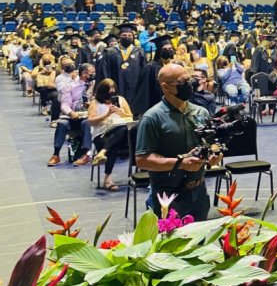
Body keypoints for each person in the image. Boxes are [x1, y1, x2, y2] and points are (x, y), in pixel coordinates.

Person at [135, 63, 220, 221]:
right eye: (183, 82)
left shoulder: (201, 112)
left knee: (199, 243)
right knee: (170, 244)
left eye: (190, 80)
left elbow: (211, 143)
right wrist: (181, 163)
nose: (189, 85)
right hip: (168, 196)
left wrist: (214, 155)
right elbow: (142, 160)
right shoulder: (152, 118)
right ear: (166, 87)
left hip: (199, 191)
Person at [88, 78, 134, 191]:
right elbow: (91, 121)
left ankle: (103, 152)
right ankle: (107, 178)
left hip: (120, 131)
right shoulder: (95, 103)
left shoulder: (120, 100)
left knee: (123, 130)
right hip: (102, 133)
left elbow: (130, 117)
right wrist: (106, 115)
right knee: (113, 147)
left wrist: (121, 113)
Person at [49, 62, 95, 167]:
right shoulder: (70, 86)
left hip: (90, 116)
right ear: (84, 73)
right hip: (74, 116)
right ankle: (56, 154)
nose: (94, 74)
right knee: (61, 124)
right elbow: (65, 104)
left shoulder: (96, 85)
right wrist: (71, 112)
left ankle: (86, 154)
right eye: (92, 73)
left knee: (87, 123)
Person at [97, 22, 145, 104]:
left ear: (133, 37)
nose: (127, 37)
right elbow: (104, 71)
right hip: (116, 87)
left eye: (130, 36)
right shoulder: (110, 52)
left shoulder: (139, 52)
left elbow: (143, 70)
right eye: (124, 35)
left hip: (135, 87)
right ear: (119, 37)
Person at [132, 33, 174, 117]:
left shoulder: (176, 66)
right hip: (155, 106)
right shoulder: (150, 67)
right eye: (165, 49)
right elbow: (144, 91)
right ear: (159, 51)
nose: (168, 51)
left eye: (170, 49)